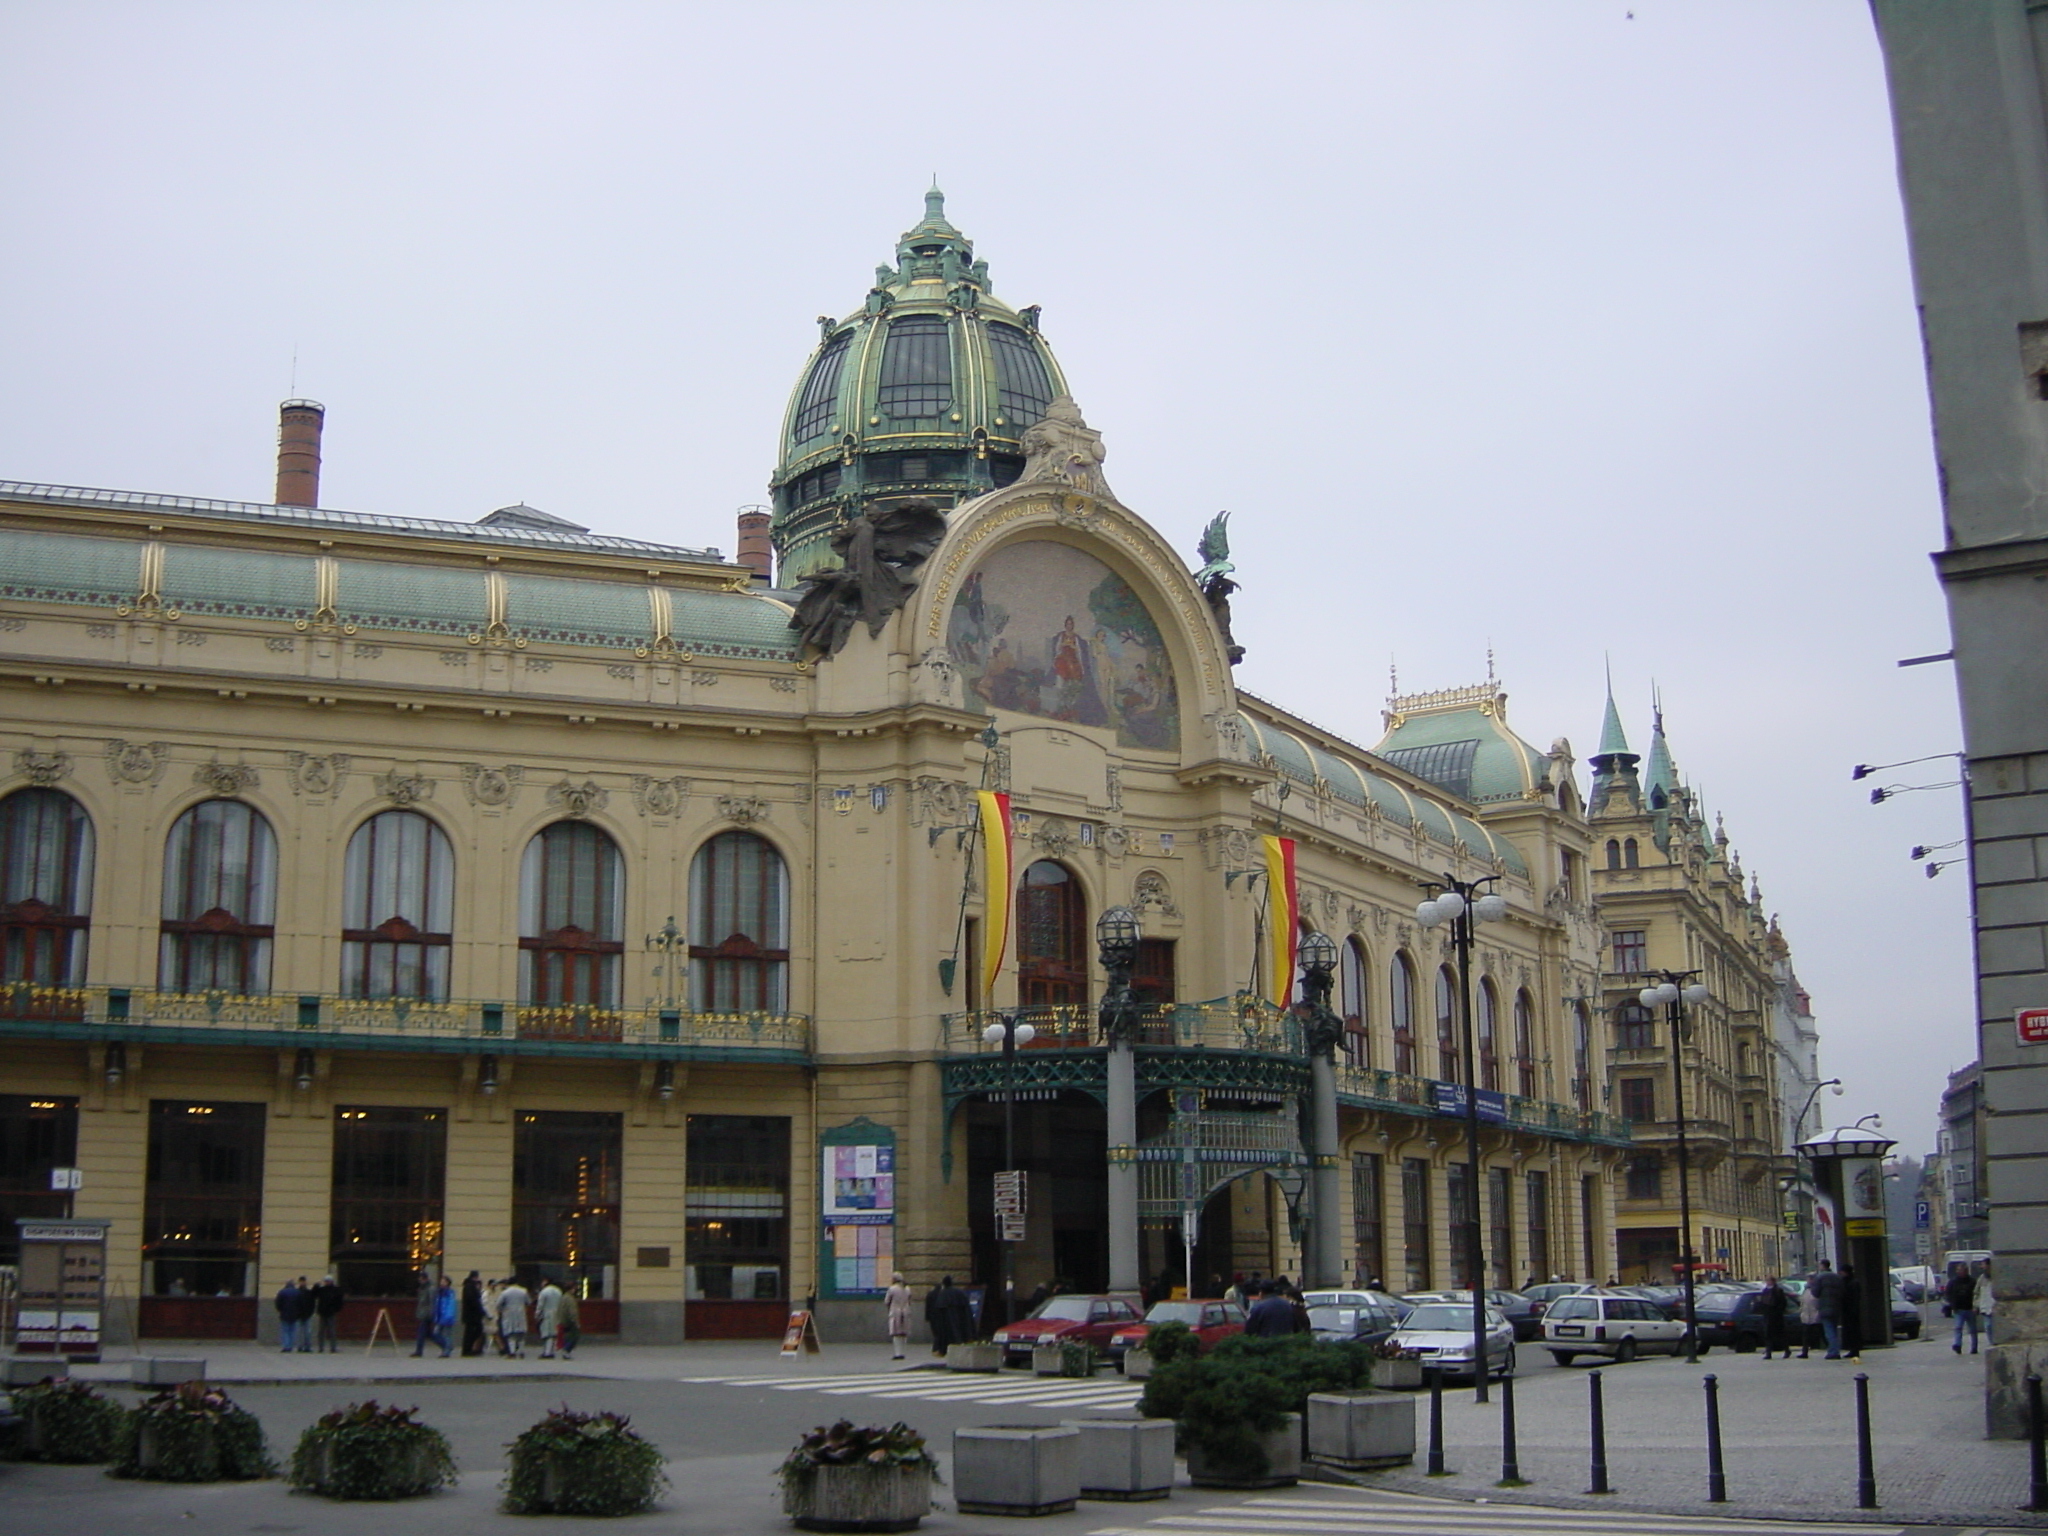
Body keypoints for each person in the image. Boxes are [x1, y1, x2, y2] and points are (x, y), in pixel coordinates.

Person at [924, 1276, 973, 1357]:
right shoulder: (960, 1293)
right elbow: (966, 1308)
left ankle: (942, 1351)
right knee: (959, 1334)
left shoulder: (942, 1294)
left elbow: (938, 1308)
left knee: (946, 1336)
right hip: (960, 1319)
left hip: (946, 1322)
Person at [1808, 1260, 1845, 1359]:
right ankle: (1835, 1348)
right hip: (1836, 1306)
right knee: (1834, 1329)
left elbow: (1815, 1293)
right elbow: (1842, 1291)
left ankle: (1833, 1351)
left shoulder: (1819, 1277)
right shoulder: (1837, 1277)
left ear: (1822, 1266)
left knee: (1829, 1330)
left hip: (1825, 1307)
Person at [1946, 1263, 1981, 1354]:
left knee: (1972, 1330)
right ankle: (1958, 1345)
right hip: (1959, 1309)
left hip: (1970, 1308)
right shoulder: (1953, 1282)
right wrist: (1952, 1304)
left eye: (1961, 1270)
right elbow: (1948, 1293)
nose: (1959, 1272)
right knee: (1958, 1327)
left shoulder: (1972, 1282)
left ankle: (1974, 1347)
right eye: (1958, 1270)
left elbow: (1977, 1294)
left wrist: (1976, 1306)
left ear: (1966, 1271)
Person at [498, 1277, 532, 1358]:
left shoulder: (505, 1292)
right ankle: (521, 1352)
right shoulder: (523, 1291)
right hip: (521, 1314)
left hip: (508, 1314)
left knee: (511, 1335)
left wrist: (502, 1310)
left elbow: (499, 1304)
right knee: (521, 1334)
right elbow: (529, 1302)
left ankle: (512, 1352)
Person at [1756, 1276, 1790, 1359]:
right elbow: (1762, 1302)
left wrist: (1778, 1311)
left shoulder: (1778, 1290)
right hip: (1767, 1315)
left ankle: (1786, 1350)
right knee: (1768, 1335)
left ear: (1773, 1281)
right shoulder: (1765, 1291)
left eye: (1768, 1280)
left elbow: (1783, 1303)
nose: (1767, 1282)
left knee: (1780, 1334)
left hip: (1777, 1316)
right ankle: (1768, 1352)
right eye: (1766, 1280)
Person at [310, 1274, 345, 1353]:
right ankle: (321, 1347)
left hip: (331, 1313)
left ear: (331, 1281)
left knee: (332, 1331)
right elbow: (313, 1295)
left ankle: (333, 1347)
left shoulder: (336, 1290)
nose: (327, 1282)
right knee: (321, 1331)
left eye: (328, 1281)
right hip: (322, 1312)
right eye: (325, 1281)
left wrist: (336, 1309)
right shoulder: (321, 1289)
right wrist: (315, 1287)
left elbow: (340, 1301)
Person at [410, 1269, 439, 1358]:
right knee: (429, 1334)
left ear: (425, 1279)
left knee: (422, 1333)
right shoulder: (422, 1288)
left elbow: (431, 1302)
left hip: (427, 1314)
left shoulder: (430, 1289)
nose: (419, 1280)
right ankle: (446, 1345)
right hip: (423, 1313)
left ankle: (419, 1351)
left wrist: (431, 1314)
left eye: (421, 1279)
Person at [885, 1272, 914, 1361]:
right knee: (903, 1333)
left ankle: (898, 1353)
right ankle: (903, 1352)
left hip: (895, 1312)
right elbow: (910, 1300)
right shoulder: (907, 1289)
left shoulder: (892, 1289)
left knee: (896, 1333)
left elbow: (887, 1301)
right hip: (906, 1312)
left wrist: (889, 1308)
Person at [274, 1275, 305, 1353]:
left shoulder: (282, 1292)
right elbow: (301, 1304)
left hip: (285, 1314)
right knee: (293, 1331)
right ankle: (291, 1345)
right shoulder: (298, 1292)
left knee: (285, 1331)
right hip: (295, 1315)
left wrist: (280, 1310)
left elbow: (278, 1303)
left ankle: (286, 1346)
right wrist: (299, 1312)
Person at [536, 1278, 565, 1359]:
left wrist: (537, 1315)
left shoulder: (544, 1292)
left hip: (546, 1314)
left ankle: (547, 1352)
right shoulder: (558, 1291)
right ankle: (551, 1351)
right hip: (557, 1314)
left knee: (547, 1334)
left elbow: (540, 1305)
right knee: (553, 1334)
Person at [431, 1274, 457, 1358]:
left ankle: (446, 1351)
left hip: (446, 1317)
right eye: (441, 1281)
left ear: (447, 1283)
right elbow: (437, 1305)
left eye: (443, 1281)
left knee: (446, 1335)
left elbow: (450, 1306)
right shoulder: (439, 1292)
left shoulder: (449, 1293)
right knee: (435, 1334)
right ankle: (448, 1347)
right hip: (439, 1317)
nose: (441, 1283)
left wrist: (448, 1317)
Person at [460, 1271, 486, 1357]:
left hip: (470, 1314)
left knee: (470, 1332)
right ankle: (467, 1350)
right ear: (474, 1277)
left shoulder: (469, 1286)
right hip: (472, 1314)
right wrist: (481, 1311)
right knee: (473, 1331)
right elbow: (474, 1301)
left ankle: (468, 1349)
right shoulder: (470, 1287)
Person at [482, 1277, 506, 1356]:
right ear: (489, 1285)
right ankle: (501, 1348)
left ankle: (476, 1349)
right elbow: (485, 1305)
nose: (494, 1287)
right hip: (489, 1317)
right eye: (493, 1285)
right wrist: (488, 1315)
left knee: (491, 1333)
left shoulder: (493, 1293)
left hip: (493, 1317)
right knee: (494, 1333)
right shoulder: (486, 1293)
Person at [1797, 1280, 1821, 1358]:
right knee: (1805, 1336)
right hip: (1806, 1316)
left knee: (1818, 1334)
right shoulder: (1806, 1291)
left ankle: (1830, 1348)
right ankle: (1805, 1352)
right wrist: (1801, 1312)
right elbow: (1802, 1303)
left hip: (1814, 1316)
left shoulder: (1816, 1291)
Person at [557, 1285, 581, 1360]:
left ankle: (565, 1351)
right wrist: (575, 1321)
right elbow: (572, 1312)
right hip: (569, 1321)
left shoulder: (563, 1297)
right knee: (573, 1336)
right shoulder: (570, 1299)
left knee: (566, 1336)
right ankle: (566, 1350)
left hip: (563, 1320)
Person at [1978, 1262, 1996, 1346]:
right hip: (1985, 1306)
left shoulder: (1996, 1277)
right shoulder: (1981, 1278)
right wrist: (1976, 1304)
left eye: (1983, 1265)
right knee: (1988, 1326)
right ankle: (1991, 1342)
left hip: (1995, 1306)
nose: (1982, 1267)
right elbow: (1976, 1291)